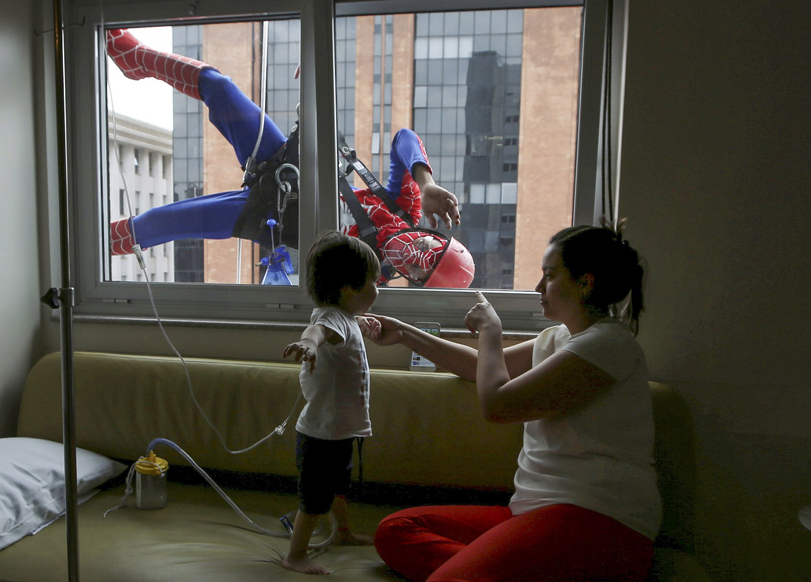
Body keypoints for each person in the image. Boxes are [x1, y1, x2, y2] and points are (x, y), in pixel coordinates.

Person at [361, 218, 660, 582]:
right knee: (397, 529)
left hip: (597, 518)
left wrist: (491, 329)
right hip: (532, 511)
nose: (539, 286)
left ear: (586, 282)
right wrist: (406, 334)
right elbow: (479, 368)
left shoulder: (608, 344)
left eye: (550, 275)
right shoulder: (558, 338)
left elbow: (499, 405)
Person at [105, 29, 474, 288]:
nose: (414, 254)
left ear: (414, 278)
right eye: (427, 248)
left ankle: (92, 245)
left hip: (267, 212)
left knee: (157, 225)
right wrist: (426, 182)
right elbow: (404, 139)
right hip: (286, 164)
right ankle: (133, 57)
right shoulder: (403, 208)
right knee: (218, 87)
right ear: (431, 233)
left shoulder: (365, 276)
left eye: (419, 267)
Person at [281, 231, 383, 575]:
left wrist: (359, 321)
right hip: (321, 436)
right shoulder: (329, 320)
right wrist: (308, 345)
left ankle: (343, 533)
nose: (377, 289)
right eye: (373, 281)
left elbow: (339, 325)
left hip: (339, 432)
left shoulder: (342, 317)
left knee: (338, 488)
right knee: (314, 500)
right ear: (348, 289)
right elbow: (317, 332)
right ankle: (295, 555)